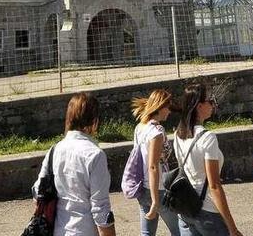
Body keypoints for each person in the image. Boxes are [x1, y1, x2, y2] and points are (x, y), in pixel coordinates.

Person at [36, 92, 116, 236]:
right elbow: (100, 208)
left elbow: (38, 192)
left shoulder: (54, 150)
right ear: (95, 120)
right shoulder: (95, 155)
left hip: (58, 230)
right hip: (84, 230)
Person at [173, 83, 242, 236]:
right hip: (207, 210)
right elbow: (215, 186)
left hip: (186, 208)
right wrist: (232, 227)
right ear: (199, 106)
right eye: (210, 101)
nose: (213, 104)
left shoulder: (178, 134)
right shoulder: (207, 138)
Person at [131, 89, 180, 236]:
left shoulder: (140, 127)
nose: (169, 112)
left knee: (147, 233)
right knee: (180, 231)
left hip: (143, 187)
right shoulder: (157, 132)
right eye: (168, 107)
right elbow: (153, 166)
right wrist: (155, 200)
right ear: (160, 107)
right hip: (159, 190)